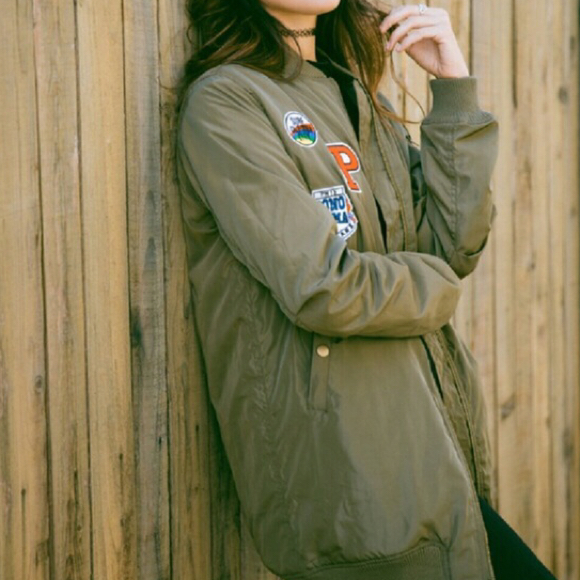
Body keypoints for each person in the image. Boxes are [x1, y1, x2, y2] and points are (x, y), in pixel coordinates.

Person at [175, 1, 557, 578]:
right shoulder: (227, 102)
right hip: (352, 487)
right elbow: (324, 287)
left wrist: (453, 88)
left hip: (430, 458)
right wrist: (437, 285)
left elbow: (454, 244)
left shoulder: (349, 93)